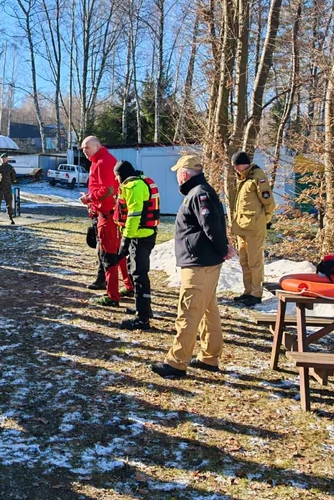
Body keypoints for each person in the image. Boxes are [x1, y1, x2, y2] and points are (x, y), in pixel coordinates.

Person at [151, 154, 236, 380]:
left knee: (188, 312)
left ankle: (176, 362)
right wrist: (222, 249)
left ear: (184, 174)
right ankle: (210, 357)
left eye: (178, 173)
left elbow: (210, 226)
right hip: (205, 262)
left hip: (199, 264)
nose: (177, 178)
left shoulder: (198, 194)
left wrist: (222, 248)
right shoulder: (202, 191)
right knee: (209, 310)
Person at [79, 136, 129, 307]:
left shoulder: (103, 161)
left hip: (108, 216)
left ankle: (112, 295)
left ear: (98, 145)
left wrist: (89, 198)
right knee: (118, 252)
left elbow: (107, 189)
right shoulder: (98, 161)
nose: (84, 151)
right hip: (106, 213)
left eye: (87, 147)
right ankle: (128, 286)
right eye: (82, 148)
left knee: (109, 255)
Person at [114, 160, 159, 330]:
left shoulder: (133, 187)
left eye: (116, 176)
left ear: (121, 175)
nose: (117, 180)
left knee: (139, 275)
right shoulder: (142, 181)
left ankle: (143, 318)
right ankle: (143, 308)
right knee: (135, 272)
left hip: (139, 236)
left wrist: (126, 239)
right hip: (144, 234)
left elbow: (134, 215)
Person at [231, 151, 275, 308]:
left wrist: (264, 220)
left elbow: (269, 202)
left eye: (236, 165)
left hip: (255, 228)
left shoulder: (257, 176)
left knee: (255, 263)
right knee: (244, 262)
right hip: (242, 228)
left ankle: (256, 294)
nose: (235, 169)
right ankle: (247, 291)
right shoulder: (243, 178)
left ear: (242, 164)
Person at [0, 152, 16, 225]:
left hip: (7, 188)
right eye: (2, 158)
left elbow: (13, 177)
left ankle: (11, 218)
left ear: (7, 158)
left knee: (9, 204)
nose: (3, 159)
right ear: (0, 159)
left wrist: (8, 182)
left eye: (5, 158)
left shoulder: (10, 167)